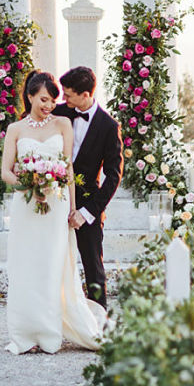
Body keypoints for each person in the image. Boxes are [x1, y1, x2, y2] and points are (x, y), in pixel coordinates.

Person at [1, 70, 106, 354]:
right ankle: (25, 333)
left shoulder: (63, 124)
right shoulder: (15, 129)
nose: (49, 105)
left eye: (53, 100)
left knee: (51, 266)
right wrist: (28, 183)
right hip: (26, 206)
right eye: (44, 99)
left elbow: (68, 169)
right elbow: (5, 172)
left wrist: (72, 210)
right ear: (31, 95)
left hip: (56, 206)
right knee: (26, 266)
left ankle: (48, 333)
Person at [54, 65, 123, 310]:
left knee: (93, 266)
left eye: (68, 94)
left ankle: (99, 325)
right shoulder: (58, 113)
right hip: (53, 198)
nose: (63, 99)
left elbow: (114, 176)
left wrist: (87, 212)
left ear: (85, 95)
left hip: (88, 204)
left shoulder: (108, 126)